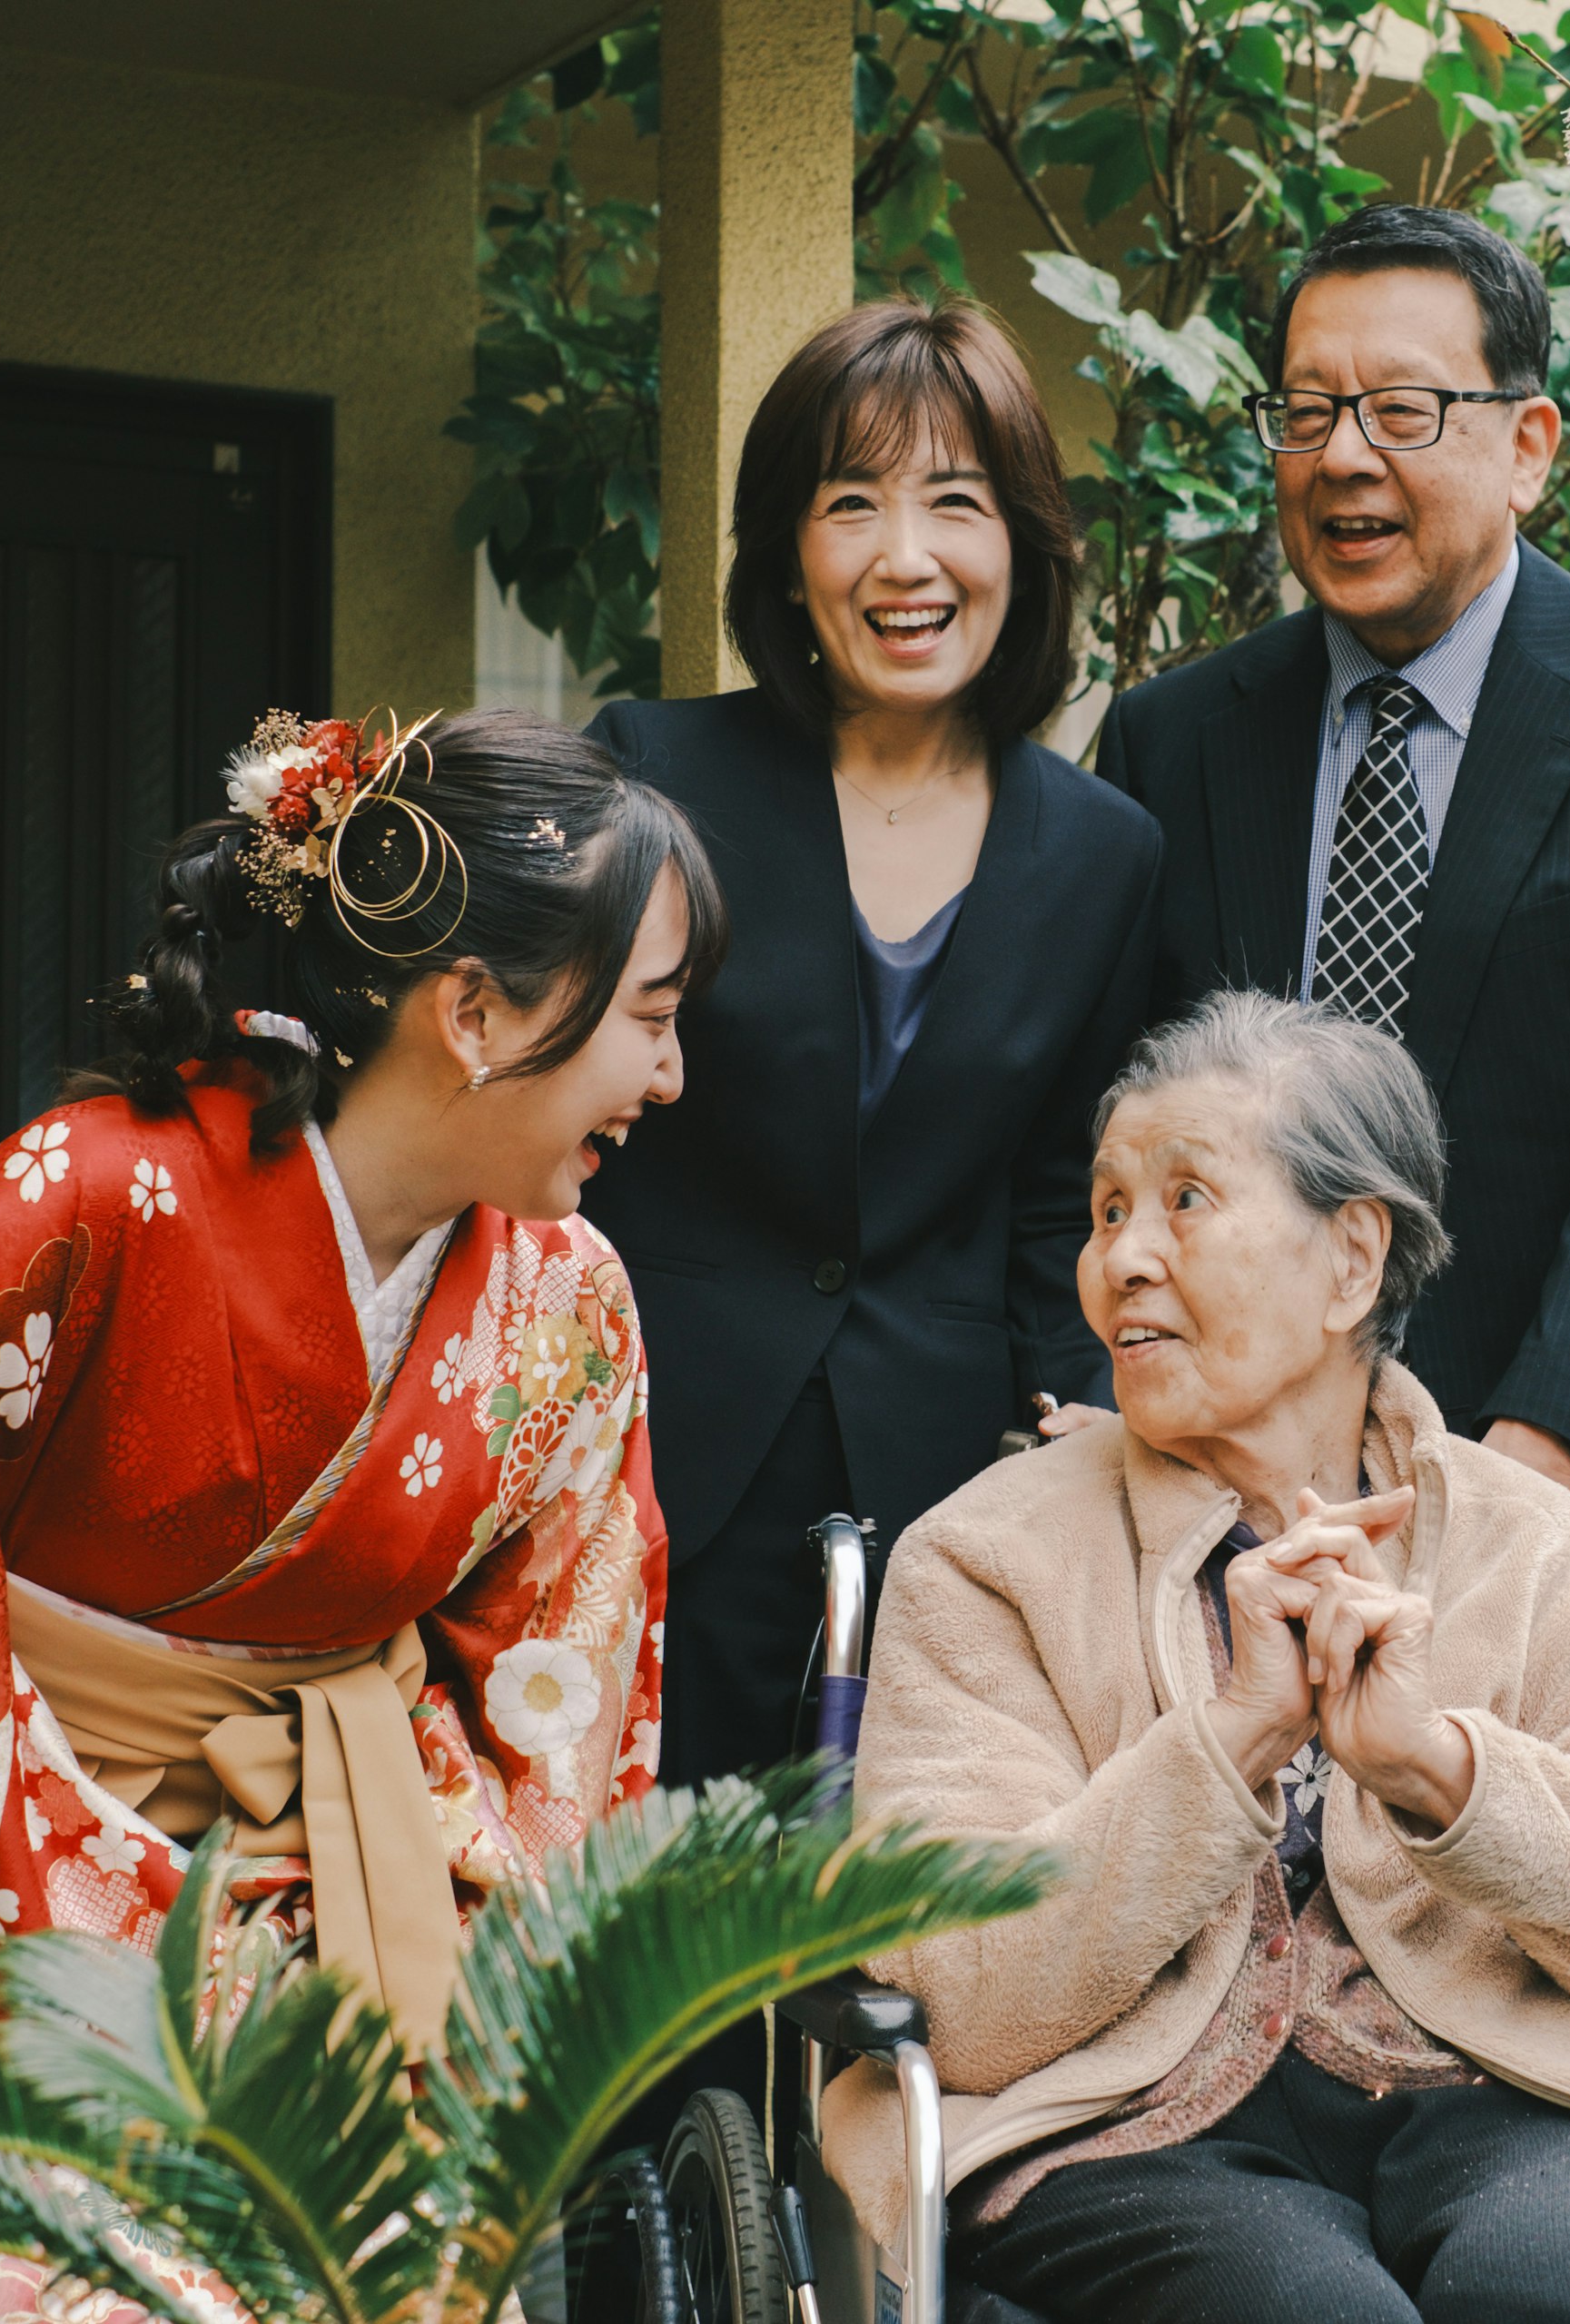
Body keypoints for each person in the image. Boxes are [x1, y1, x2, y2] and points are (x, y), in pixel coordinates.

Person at [0, 707, 717, 2324]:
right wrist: (98, 1877)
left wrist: (442, 1899)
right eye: (650, 1018)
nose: (674, 1077)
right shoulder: (67, 1204)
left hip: (338, 1903)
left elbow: (565, 1666)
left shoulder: (575, 1304)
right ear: (477, 1011)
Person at [829, 993, 1570, 2324]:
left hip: (1503, 2094)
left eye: (1186, 1200)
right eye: (1107, 1212)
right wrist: (1228, 1746)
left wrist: (1438, 1770)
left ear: (1349, 1261)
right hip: (1123, 2117)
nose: (1126, 1259)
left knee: (1557, 2286)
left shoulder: (1540, 1547)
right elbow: (960, 1990)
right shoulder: (988, 1557)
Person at [1091, 204, 1570, 1647]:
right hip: (1246, 1542)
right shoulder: (1173, 740)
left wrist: (1528, 1467)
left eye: (1404, 409)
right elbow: (1121, 1118)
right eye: (1306, 412)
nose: (1345, 457)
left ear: (1529, 447)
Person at [583, 296, 1160, 1794]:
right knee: (655, 1942)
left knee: (905, 1963)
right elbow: (565, 1119)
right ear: (790, 550)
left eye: (956, 503)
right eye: (853, 505)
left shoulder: (1104, 851)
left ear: (1022, 543)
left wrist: (1080, 1420)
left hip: (952, 1486)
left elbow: (1058, 1193)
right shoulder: (655, 774)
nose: (907, 559)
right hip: (659, 1455)